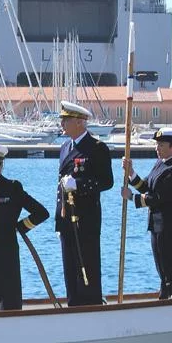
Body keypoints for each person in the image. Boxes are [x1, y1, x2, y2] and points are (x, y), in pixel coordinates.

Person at [0, 144, 49, 311]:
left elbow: (41, 212)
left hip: (6, 264)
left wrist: (20, 227)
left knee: (9, 313)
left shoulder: (12, 188)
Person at [55, 100, 114, 306]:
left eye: (66, 120)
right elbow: (60, 186)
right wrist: (58, 219)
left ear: (80, 122)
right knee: (70, 268)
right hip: (66, 218)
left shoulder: (97, 148)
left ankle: (91, 305)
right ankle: (73, 306)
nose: (62, 124)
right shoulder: (64, 148)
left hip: (86, 219)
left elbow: (107, 182)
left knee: (87, 265)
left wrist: (79, 184)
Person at [121, 128, 172, 299]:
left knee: (171, 263)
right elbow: (147, 187)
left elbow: (158, 197)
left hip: (171, 223)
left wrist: (132, 198)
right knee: (161, 264)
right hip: (156, 222)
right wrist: (131, 173)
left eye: (161, 145)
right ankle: (164, 295)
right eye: (157, 144)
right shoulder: (160, 163)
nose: (157, 148)